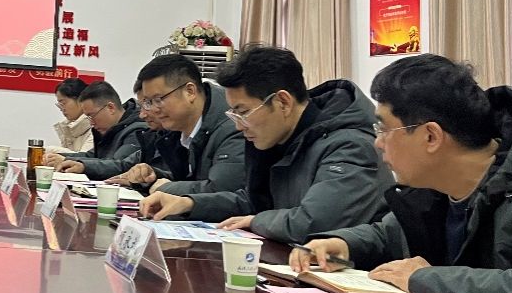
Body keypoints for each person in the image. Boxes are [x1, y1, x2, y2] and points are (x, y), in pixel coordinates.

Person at [292, 55, 512, 293]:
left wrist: (423, 279)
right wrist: (343, 244)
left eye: (384, 129)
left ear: (431, 137)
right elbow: (389, 234)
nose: (378, 143)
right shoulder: (436, 186)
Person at [140, 45, 388, 244]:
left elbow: (314, 222)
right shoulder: (279, 136)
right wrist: (189, 204)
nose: (239, 126)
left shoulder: (349, 145)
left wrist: (255, 221)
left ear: (282, 102)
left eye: (243, 112)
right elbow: (254, 200)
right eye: (233, 114)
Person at [123, 54, 246, 195]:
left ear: (190, 91)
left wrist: (166, 188)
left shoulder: (232, 126)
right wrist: (152, 178)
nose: (154, 110)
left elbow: (223, 190)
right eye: (148, 102)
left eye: (158, 99)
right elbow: (190, 180)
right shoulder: (176, 129)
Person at [51, 81, 147, 180]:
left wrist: (83, 166)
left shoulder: (137, 130)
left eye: (92, 116)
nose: (91, 123)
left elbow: (120, 165)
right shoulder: (110, 129)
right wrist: (60, 157)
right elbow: (91, 156)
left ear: (111, 108)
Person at [50, 78, 94, 153]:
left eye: (63, 103)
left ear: (80, 100)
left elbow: (84, 158)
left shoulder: (95, 127)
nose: (61, 109)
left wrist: (52, 150)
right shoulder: (69, 127)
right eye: (59, 104)